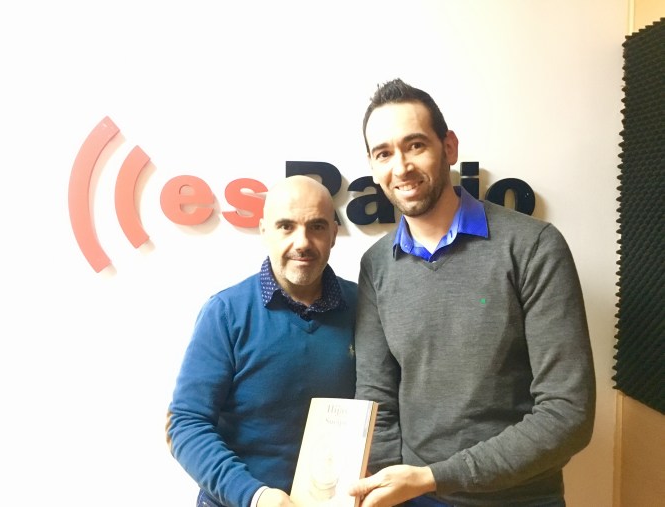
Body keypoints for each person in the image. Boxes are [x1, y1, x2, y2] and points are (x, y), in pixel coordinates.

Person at [347, 79, 596, 507]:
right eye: (383, 153)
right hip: (411, 497)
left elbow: (568, 413)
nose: (401, 167)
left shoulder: (533, 246)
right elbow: (376, 399)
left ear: (449, 147)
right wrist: (392, 490)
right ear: (372, 165)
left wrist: (433, 478)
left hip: (518, 500)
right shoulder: (376, 264)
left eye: (415, 145)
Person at [166, 175, 357, 507]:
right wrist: (255, 496)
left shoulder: (363, 306)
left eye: (316, 226)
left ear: (333, 234)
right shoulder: (226, 313)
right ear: (264, 231)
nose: (302, 242)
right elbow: (186, 424)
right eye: (286, 226)